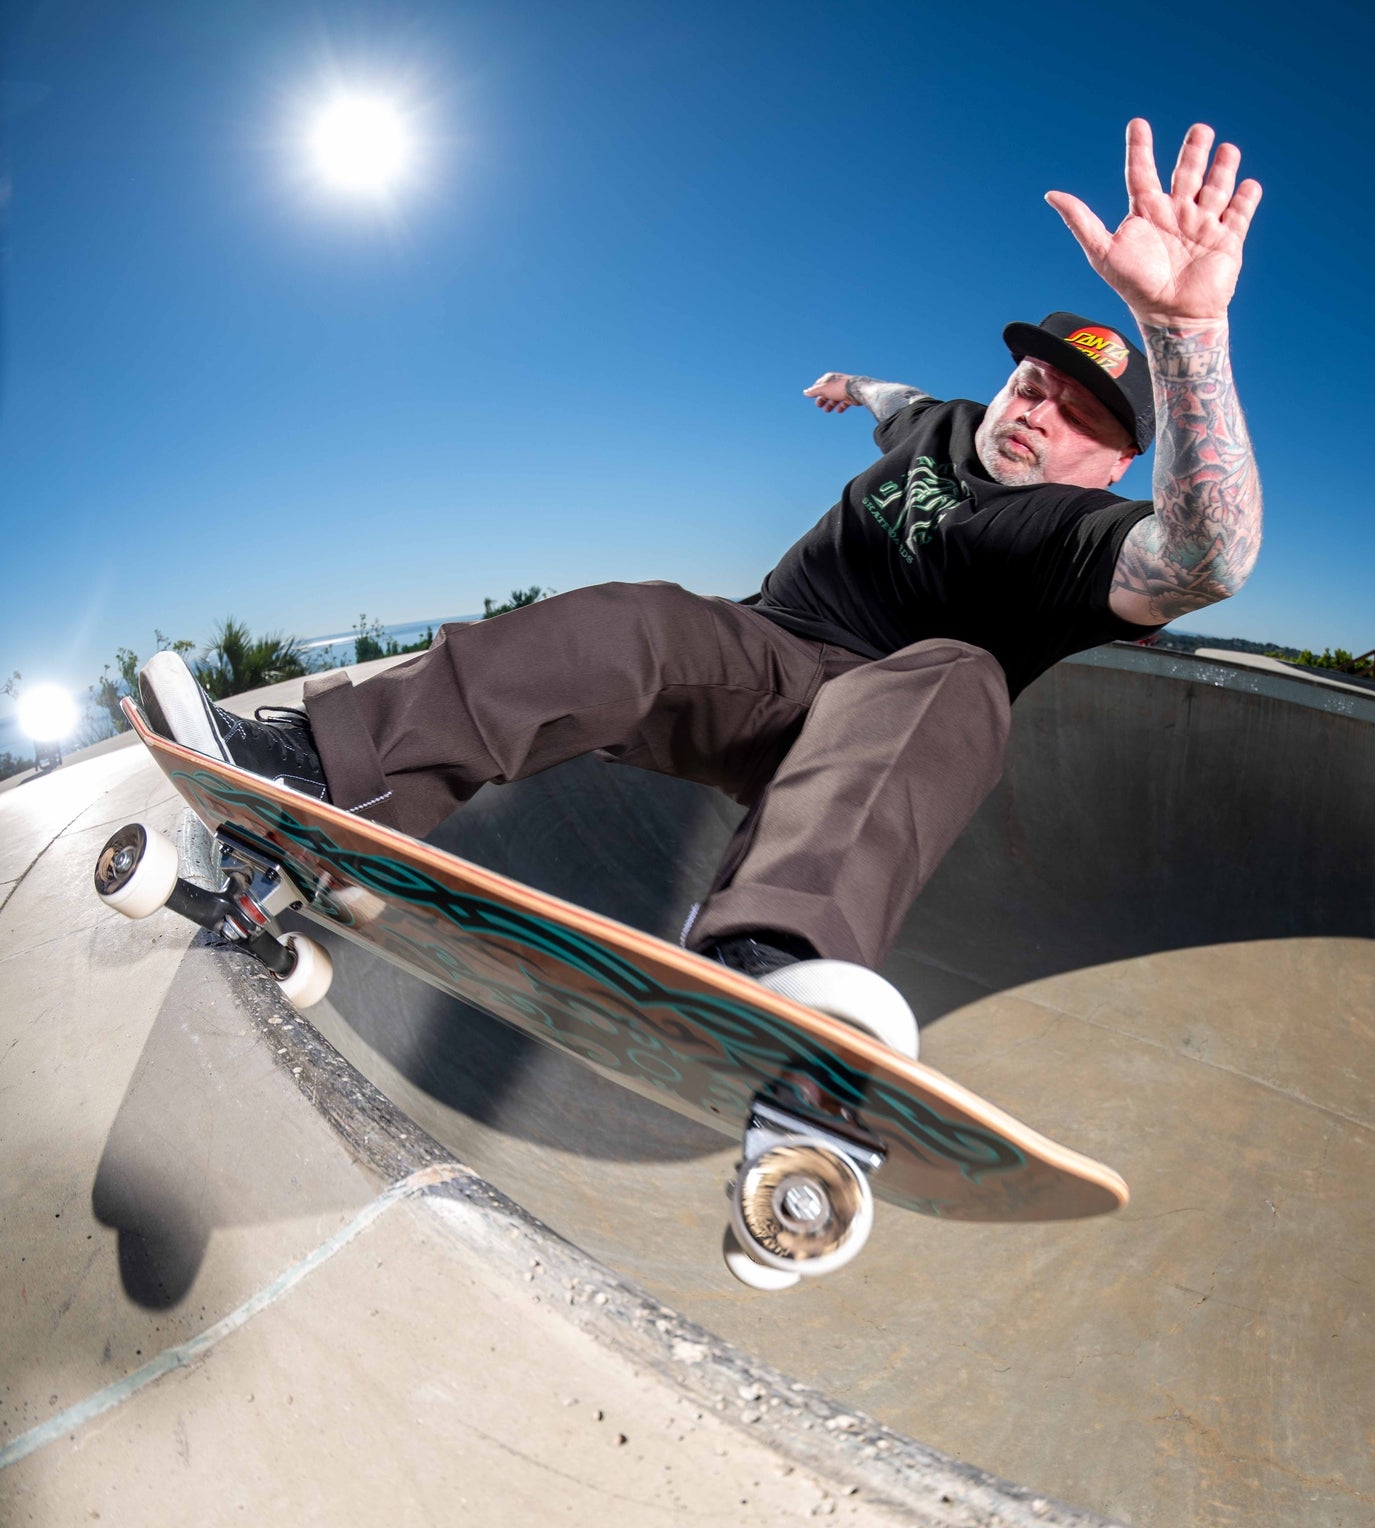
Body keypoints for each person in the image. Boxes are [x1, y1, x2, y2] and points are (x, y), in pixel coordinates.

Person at [139, 119, 1262, 1033]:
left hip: (878, 727)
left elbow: (1205, 557)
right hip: (756, 663)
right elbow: (898, 400)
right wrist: (850, 384)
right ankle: (328, 775)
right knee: (641, 619)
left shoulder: (1074, 533)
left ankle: (774, 961)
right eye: (1032, 386)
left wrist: (1186, 331)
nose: (1037, 414)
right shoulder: (946, 422)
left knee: (960, 674)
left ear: (1117, 463)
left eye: (1078, 416)